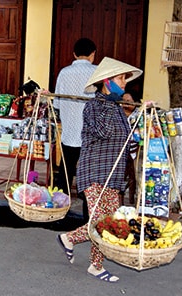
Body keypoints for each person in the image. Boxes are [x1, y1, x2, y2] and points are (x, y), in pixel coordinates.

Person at [57, 57, 143, 283]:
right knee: (100, 223)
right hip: (94, 172)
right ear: (107, 81)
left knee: (108, 222)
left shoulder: (116, 107)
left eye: (125, 79)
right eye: (120, 78)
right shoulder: (94, 106)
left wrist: (140, 112)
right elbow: (103, 132)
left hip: (112, 175)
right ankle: (82, 251)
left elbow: (124, 137)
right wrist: (111, 101)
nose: (124, 83)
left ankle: (90, 259)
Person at [52, 38, 97, 200]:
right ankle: (88, 206)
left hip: (69, 133)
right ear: (93, 54)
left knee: (66, 170)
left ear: (74, 54)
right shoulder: (97, 72)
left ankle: (60, 205)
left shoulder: (64, 73)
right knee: (88, 172)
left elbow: (56, 104)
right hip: (90, 134)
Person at [121, 91, 140, 205]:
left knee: (129, 167)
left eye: (128, 101)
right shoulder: (118, 113)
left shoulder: (137, 116)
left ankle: (129, 197)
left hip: (130, 150)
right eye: (123, 101)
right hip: (118, 149)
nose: (125, 103)